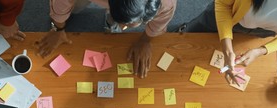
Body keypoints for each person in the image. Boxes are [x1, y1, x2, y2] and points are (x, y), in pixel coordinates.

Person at [36, 0, 177, 78]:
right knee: (74, 7)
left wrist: (145, 40)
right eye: (124, 23)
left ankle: (113, 20)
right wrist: (58, 28)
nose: (124, 28)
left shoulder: (166, 3)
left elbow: (161, 20)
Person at [180, 0, 277, 84]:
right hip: (228, 13)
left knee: (209, 48)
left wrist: (261, 50)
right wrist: (227, 50)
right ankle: (182, 29)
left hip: (261, 33)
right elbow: (223, 4)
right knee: (188, 35)